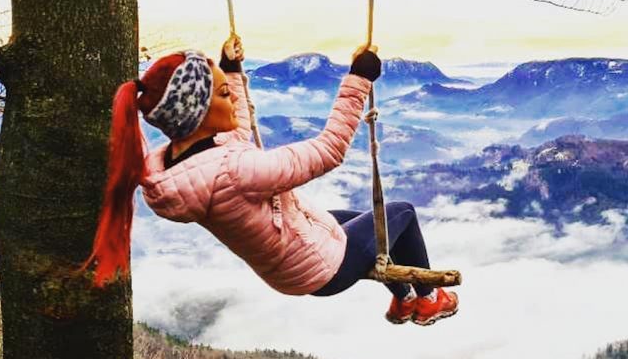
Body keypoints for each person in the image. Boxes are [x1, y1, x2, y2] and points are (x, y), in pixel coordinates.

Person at [78, 37, 459, 327]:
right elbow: (328, 150)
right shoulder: (235, 170)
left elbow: (235, 132)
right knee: (401, 213)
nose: (230, 100)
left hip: (288, 260)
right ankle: (426, 299)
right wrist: (358, 80)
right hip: (321, 268)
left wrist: (230, 71)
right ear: (199, 114)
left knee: (372, 222)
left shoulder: (181, 161)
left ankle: (402, 299)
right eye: (224, 95)